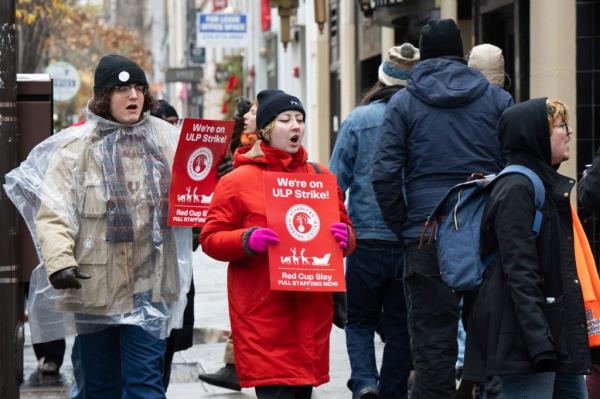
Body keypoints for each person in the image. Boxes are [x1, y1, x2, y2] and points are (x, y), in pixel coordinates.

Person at [7, 54, 192, 399]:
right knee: (99, 386)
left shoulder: (167, 143)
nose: (133, 96)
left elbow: (192, 199)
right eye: (122, 89)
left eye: (138, 88)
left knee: (145, 386)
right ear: (104, 97)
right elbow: (54, 214)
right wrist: (60, 261)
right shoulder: (74, 151)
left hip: (150, 288)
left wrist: (195, 220)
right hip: (95, 292)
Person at [371, 19, 513, 398]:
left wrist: (405, 223)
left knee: (432, 346)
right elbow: (513, 165)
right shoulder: (498, 100)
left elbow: (384, 173)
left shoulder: (403, 103)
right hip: (486, 231)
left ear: (423, 55)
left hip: (425, 234)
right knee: (494, 339)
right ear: (461, 53)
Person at [199, 89, 356, 399]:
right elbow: (210, 238)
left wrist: (345, 238)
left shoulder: (320, 177)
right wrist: (246, 239)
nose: (295, 126)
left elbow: (347, 235)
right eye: (285, 120)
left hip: (310, 315)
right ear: (266, 130)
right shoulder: (236, 181)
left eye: (300, 119)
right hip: (265, 317)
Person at [463, 98, 591, 397]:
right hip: (528, 343)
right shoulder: (517, 188)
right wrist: (538, 342)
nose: (569, 131)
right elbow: (519, 270)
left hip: (554, 338)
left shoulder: (544, 185)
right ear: (534, 136)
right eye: (561, 126)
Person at [329, 43, 418, 399]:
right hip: (407, 238)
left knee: (360, 320)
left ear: (380, 82)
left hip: (364, 239)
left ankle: (365, 381)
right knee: (400, 325)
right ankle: (393, 391)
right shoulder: (420, 119)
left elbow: (334, 182)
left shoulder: (358, 120)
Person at [197, 96, 255, 391]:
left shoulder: (271, 144)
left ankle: (237, 366)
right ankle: (235, 365)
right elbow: (230, 152)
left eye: (254, 112)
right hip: (244, 240)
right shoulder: (244, 141)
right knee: (244, 309)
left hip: (261, 245)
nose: (248, 117)